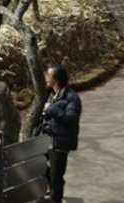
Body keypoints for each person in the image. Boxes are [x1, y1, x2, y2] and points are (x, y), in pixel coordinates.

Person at [41, 65, 82, 203]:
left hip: (60, 143)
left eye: (48, 75)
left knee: (56, 177)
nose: (46, 77)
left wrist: (51, 109)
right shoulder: (51, 93)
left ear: (56, 80)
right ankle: (55, 187)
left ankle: (56, 197)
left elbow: (71, 119)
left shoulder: (72, 98)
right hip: (47, 139)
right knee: (36, 164)